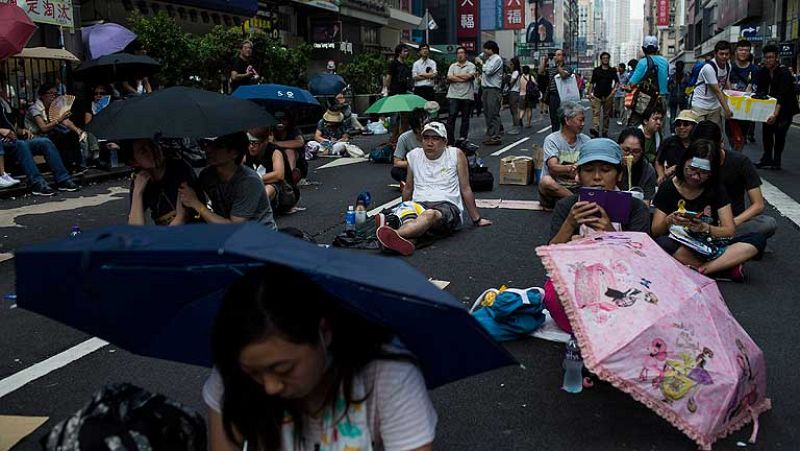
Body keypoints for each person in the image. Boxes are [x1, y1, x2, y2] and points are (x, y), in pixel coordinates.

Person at [204, 265, 437, 451]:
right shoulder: (232, 373)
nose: (271, 387)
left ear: (324, 332)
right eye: (254, 373)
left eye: (284, 369)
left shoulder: (388, 376)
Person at [651, 139, 765, 281]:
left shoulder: (716, 188)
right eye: (692, 169)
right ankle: (723, 269)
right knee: (662, 242)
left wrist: (705, 228)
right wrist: (670, 220)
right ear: (684, 163)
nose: (695, 176)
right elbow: (655, 230)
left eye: (703, 172)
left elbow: (729, 230)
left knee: (757, 240)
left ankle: (704, 269)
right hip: (682, 244)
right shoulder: (668, 187)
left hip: (711, 243)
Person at [375, 122, 492, 256]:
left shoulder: (455, 154)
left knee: (429, 215)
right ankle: (401, 240)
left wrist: (477, 219)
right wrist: (404, 207)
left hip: (446, 205)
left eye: (435, 139)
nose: (429, 143)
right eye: (426, 138)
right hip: (418, 204)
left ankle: (392, 234)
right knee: (410, 220)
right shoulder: (413, 156)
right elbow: (408, 187)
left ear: (445, 141)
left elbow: (465, 188)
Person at [549, 138, 651, 244]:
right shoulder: (566, 206)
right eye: (588, 170)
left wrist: (609, 233)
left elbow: (640, 256)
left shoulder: (636, 208)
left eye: (606, 170)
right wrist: (570, 224)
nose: (597, 177)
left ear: (619, 175)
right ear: (578, 174)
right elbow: (549, 254)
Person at [691, 120, 776, 239]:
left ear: (721, 143)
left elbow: (758, 204)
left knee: (768, 223)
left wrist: (732, 223)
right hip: (701, 221)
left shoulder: (741, 162)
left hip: (733, 221)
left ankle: (723, 238)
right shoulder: (691, 162)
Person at [179, 132, 276, 229]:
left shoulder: (249, 182)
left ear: (235, 153)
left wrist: (197, 204)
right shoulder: (207, 175)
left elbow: (234, 227)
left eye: (219, 147)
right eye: (207, 145)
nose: (208, 150)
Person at [0, 86, 78, 195]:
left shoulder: (5, 105)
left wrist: (22, 130)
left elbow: (12, 128)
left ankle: (63, 179)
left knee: (44, 142)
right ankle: (37, 183)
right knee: (21, 144)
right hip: (4, 143)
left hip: (12, 140)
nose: (4, 91)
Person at [128, 139, 200, 226]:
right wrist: (137, 193)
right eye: (143, 151)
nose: (152, 152)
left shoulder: (179, 168)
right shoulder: (139, 179)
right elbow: (135, 228)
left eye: (152, 145)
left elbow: (182, 217)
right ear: (133, 162)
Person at [538, 101, 591, 209]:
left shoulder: (586, 140)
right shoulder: (552, 140)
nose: (583, 124)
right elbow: (553, 167)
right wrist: (572, 168)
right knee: (546, 181)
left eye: (583, 120)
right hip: (556, 188)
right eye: (580, 120)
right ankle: (576, 201)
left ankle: (572, 201)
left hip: (578, 186)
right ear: (567, 120)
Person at [754, 44, 800, 170]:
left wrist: (775, 114)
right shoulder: (763, 72)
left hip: (785, 109)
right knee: (767, 133)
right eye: (766, 58)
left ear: (776, 58)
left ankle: (777, 160)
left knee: (780, 134)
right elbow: (760, 90)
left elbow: (782, 95)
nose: (768, 60)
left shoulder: (784, 73)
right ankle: (767, 157)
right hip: (768, 107)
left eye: (771, 57)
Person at [25, 83, 86, 174]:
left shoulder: (54, 107)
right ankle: (67, 166)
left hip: (51, 133)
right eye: (50, 93)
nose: (53, 96)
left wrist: (77, 130)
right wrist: (59, 119)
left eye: (55, 94)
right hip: (37, 136)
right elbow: (43, 128)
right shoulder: (35, 108)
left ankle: (79, 165)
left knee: (71, 134)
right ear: (42, 95)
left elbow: (66, 122)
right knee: (61, 138)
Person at [245, 129, 298, 214]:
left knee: (269, 188)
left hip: (284, 193)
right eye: (249, 142)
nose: (251, 146)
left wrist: (253, 179)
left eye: (255, 143)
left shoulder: (274, 151)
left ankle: (252, 211)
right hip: (256, 189)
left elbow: (278, 175)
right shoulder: (247, 152)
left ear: (265, 142)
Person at [628, 37, 669, 132]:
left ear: (643, 48)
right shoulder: (664, 61)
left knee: (634, 129)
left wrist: (626, 87)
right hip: (661, 99)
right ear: (657, 48)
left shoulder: (643, 62)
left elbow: (631, 84)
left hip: (645, 100)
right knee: (658, 128)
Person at [689, 40, 733, 130]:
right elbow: (717, 91)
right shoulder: (709, 68)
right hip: (700, 104)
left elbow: (727, 83)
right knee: (700, 134)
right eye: (721, 54)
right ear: (715, 54)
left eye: (727, 54)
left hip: (714, 105)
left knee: (716, 134)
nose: (724, 57)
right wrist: (727, 110)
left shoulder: (728, 66)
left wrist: (732, 101)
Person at [728, 40, 759, 144]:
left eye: (746, 50)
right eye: (741, 50)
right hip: (731, 110)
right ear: (736, 51)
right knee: (731, 138)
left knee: (741, 139)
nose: (743, 52)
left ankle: (737, 158)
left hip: (746, 111)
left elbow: (756, 88)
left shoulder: (755, 70)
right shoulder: (729, 68)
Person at [656, 109, 698, 184]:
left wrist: (677, 168)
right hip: (672, 181)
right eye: (678, 124)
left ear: (694, 127)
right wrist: (661, 175)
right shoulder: (668, 142)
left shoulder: (699, 144)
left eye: (686, 124)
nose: (681, 127)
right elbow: (659, 161)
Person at [617, 128, 657, 205]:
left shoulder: (648, 171)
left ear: (642, 152)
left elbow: (645, 204)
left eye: (636, 152)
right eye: (626, 150)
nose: (630, 155)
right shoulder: (609, 166)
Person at [446, 46, 477, 143]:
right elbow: (449, 78)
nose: (460, 55)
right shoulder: (452, 66)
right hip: (453, 95)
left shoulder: (471, 66)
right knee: (451, 116)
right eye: (458, 53)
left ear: (466, 54)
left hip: (467, 95)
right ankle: (449, 138)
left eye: (462, 53)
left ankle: (463, 137)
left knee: (465, 117)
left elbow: (469, 76)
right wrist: (463, 77)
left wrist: (455, 77)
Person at [266, 111, 306, 184]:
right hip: (276, 162)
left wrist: (276, 143)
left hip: (296, 164)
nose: (280, 122)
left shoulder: (294, 130)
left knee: (289, 151)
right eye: (277, 120)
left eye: (283, 119)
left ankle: (289, 176)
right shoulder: (271, 130)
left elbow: (300, 142)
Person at [539, 49, 573, 131]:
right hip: (553, 96)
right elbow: (540, 72)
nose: (556, 57)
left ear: (563, 57)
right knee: (554, 119)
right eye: (555, 55)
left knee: (565, 118)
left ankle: (566, 136)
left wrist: (558, 66)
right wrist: (545, 61)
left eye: (558, 55)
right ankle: (555, 136)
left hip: (564, 97)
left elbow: (563, 75)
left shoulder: (568, 68)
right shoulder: (551, 69)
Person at [588, 52, 620, 138]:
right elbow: (592, 82)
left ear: (609, 59)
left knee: (606, 115)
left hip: (608, 95)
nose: (605, 59)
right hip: (597, 95)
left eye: (607, 58)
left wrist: (613, 91)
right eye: (604, 58)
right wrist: (589, 93)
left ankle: (605, 131)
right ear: (601, 59)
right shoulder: (596, 70)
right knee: (596, 113)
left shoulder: (612, 70)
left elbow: (617, 82)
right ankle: (596, 129)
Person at [479, 41, 504, 145]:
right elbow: (480, 56)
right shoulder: (488, 59)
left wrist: (481, 63)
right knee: (487, 113)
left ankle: (496, 136)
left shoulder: (497, 59)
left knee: (493, 113)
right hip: (486, 88)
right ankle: (490, 134)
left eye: (485, 49)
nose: (484, 51)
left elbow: (489, 71)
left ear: (490, 49)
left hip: (493, 89)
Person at [392, 110, 424, 184]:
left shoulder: (434, 135)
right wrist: (415, 163)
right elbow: (397, 162)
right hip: (414, 169)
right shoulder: (404, 137)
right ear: (416, 128)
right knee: (395, 171)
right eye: (423, 125)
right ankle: (411, 183)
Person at [667, 61, 689, 133]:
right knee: (684, 115)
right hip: (683, 97)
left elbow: (668, 87)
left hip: (673, 97)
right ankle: (684, 129)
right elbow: (689, 86)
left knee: (673, 116)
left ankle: (673, 131)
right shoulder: (686, 76)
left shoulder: (672, 76)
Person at [505, 57, 523, 136]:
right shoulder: (516, 72)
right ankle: (516, 126)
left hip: (514, 92)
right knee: (514, 111)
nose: (510, 65)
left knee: (514, 111)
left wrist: (507, 78)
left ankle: (516, 127)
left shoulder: (515, 72)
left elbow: (511, 81)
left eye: (511, 64)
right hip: (515, 92)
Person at [619, 59, 638, 126]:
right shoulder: (637, 72)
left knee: (629, 108)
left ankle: (629, 123)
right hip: (635, 93)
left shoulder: (633, 73)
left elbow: (630, 84)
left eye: (631, 66)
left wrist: (624, 87)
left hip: (631, 93)